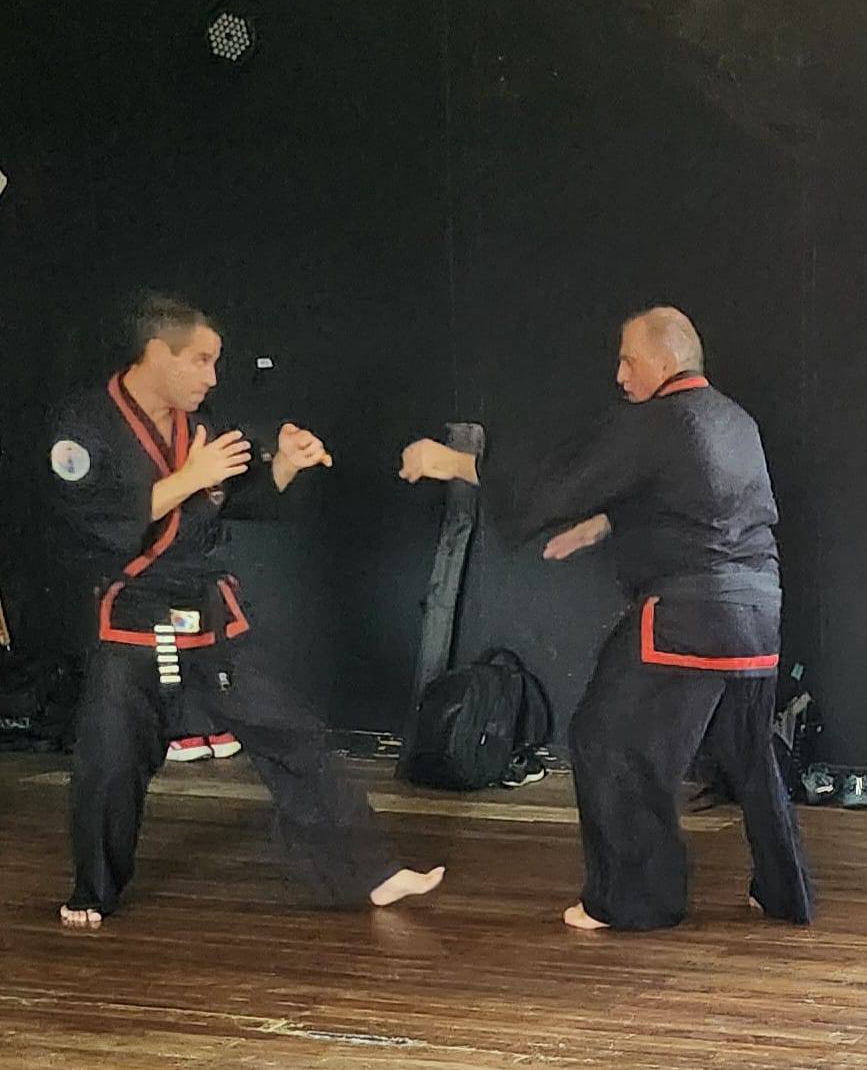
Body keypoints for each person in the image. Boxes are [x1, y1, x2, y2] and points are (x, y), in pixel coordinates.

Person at [399, 305, 812, 931]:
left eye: (628, 360)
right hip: (758, 614)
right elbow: (699, 497)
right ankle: (784, 891)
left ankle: (636, 900)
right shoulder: (734, 421)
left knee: (604, 737)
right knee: (747, 750)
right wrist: (604, 524)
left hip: (687, 615)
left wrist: (457, 463)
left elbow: (562, 480)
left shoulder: (658, 420)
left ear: (664, 360)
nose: (620, 375)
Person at [51, 291, 444, 927]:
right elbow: (97, 523)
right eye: (200, 361)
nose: (212, 377)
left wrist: (283, 464)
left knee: (292, 734)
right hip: (132, 615)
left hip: (207, 608)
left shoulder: (200, 424)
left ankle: (369, 871)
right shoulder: (84, 427)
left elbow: (240, 497)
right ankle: (92, 892)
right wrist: (190, 475)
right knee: (111, 759)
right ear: (158, 354)